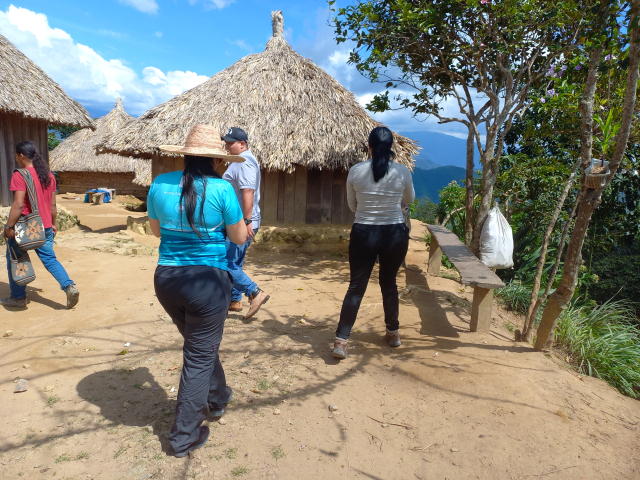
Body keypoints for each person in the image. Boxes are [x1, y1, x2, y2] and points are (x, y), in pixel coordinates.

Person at [149, 124, 248, 457]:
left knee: (200, 346)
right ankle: (183, 437)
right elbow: (237, 238)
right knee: (198, 355)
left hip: (167, 279)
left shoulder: (160, 184)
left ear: (186, 156)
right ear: (216, 161)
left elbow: (154, 230)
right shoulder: (222, 190)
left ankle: (218, 397)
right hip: (208, 283)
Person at [332, 127, 415, 359]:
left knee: (356, 287)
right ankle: (393, 333)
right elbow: (410, 199)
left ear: (369, 146)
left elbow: (352, 205)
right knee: (389, 284)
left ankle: (341, 341)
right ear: (392, 147)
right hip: (394, 235)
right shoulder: (402, 172)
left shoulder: (356, 171)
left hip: (363, 233)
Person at [2, 141, 79, 309]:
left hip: (26, 227)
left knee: (16, 258)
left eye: (16, 155)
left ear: (21, 156)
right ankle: (69, 286)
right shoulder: (49, 176)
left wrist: (8, 227)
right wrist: (53, 224)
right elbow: (53, 206)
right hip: (45, 226)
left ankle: (18, 297)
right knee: (50, 259)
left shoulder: (20, 175)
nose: (16, 158)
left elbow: (18, 205)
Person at [221, 127, 270, 319]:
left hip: (241, 222)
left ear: (242, 143)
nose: (226, 145)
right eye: (226, 141)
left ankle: (255, 293)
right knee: (235, 263)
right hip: (239, 221)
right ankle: (235, 300)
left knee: (225, 262)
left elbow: (248, 192)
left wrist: (246, 221)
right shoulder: (239, 161)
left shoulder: (245, 162)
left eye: (230, 142)